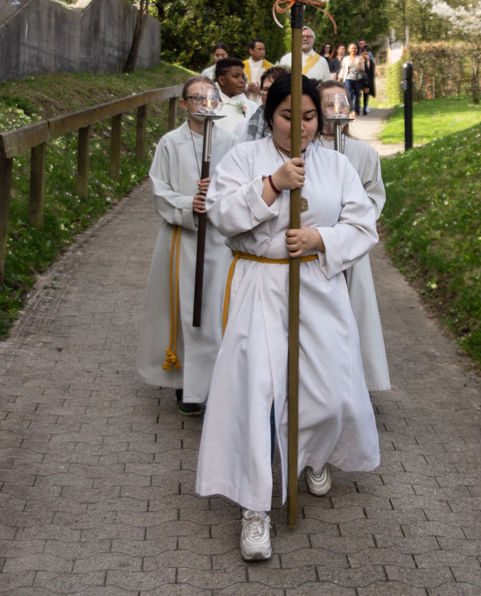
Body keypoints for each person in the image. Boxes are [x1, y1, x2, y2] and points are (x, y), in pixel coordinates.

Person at [196, 74, 380, 562]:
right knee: (255, 394)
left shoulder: (336, 165)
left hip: (317, 284)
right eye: (287, 116)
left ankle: (314, 454)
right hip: (259, 282)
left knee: (333, 390)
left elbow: (363, 225)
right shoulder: (244, 158)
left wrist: (321, 239)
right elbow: (222, 215)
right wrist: (273, 185)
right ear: (269, 115)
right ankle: (254, 508)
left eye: (309, 117)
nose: (299, 128)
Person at [136, 75, 237, 415]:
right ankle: (187, 385)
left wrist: (217, 194)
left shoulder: (231, 142)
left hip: (219, 241)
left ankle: (218, 384)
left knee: (216, 309)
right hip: (182, 239)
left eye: (211, 98)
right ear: (183, 104)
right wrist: (188, 203)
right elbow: (159, 188)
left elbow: (241, 188)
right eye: (197, 98)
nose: (205, 104)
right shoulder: (170, 143)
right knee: (185, 311)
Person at [317, 80, 390, 392]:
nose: (336, 110)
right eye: (329, 104)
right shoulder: (307, 151)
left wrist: (352, 222)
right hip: (318, 245)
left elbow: (374, 197)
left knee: (354, 309)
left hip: (351, 248)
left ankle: (356, 383)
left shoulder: (363, 152)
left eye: (341, 104)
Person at [237, 65, 289, 142]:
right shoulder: (243, 126)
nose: (271, 95)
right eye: (266, 89)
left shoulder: (298, 128)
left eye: (276, 89)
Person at [215, 57, 258, 135]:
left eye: (243, 77)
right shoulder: (210, 105)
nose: (242, 81)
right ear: (222, 80)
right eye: (236, 76)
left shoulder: (253, 107)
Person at [337, 42, 367, 117]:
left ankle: (356, 110)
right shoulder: (345, 59)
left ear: (357, 50)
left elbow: (363, 70)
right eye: (352, 48)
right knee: (349, 95)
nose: (353, 49)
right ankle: (350, 111)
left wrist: (360, 66)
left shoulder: (359, 58)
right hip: (348, 79)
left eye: (355, 48)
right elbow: (343, 69)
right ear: (349, 49)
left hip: (358, 79)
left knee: (357, 95)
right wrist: (339, 79)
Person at [358, 39, 376, 114]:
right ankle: (358, 107)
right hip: (359, 79)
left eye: (366, 53)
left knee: (366, 94)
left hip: (367, 80)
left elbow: (370, 68)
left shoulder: (370, 60)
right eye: (364, 53)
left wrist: (368, 60)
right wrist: (361, 60)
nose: (365, 54)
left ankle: (365, 108)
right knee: (358, 94)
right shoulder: (359, 59)